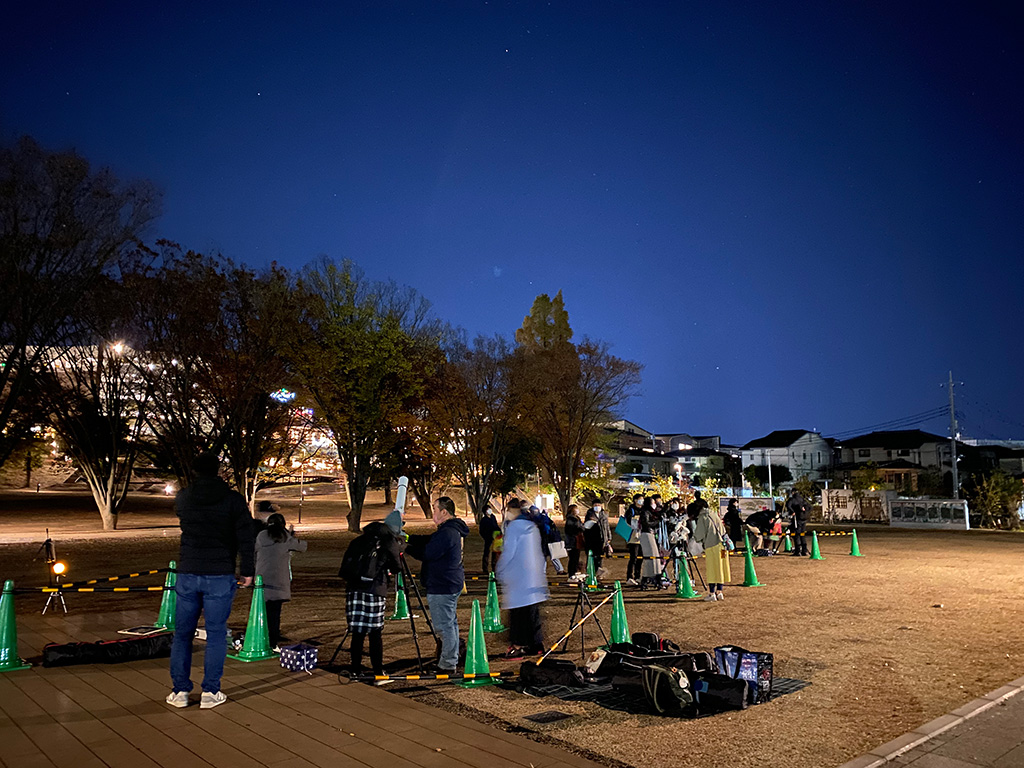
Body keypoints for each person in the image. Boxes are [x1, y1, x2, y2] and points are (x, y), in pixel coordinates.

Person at [166, 452, 255, 710]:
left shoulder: (184, 497)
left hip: (188, 570)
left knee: (182, 634)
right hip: (220, 571)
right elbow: (245, 539)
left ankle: (180, 690)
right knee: (216, 633)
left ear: (194, 471)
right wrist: (247, 571)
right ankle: (210, 691)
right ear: (218, 470)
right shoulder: (233, 500)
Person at [404, 496, 469, 673]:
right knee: (450, 625)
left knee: (444, 626)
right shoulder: (450, 530)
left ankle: (448, 664)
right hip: (449, 583)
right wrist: (408, 538)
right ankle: (451, 658)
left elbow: (428, 552)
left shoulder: (447, 532)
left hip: (442, 584)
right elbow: (429, 541)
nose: (433, 513)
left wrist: (406, 547)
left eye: (434, 509)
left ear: (444, 512)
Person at [341, 520, 401, 680]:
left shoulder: (357, 542)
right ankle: (378, 671)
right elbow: (397, 567)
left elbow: (346, 566)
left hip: (354, 590)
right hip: (375, 591)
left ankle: (355, 669)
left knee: (357, 633)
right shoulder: (387, 543)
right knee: (375, 634)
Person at [496, 501, 549, 657]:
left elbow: (509, 552)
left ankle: (518, 645)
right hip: (533, 577)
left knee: (518, 616)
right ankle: (536, 645)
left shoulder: (513, 528)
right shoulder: (532, 527)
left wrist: (500, 570)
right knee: (532, 614)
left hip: (518, 577)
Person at [255, 512, 307, 649]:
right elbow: (303, 547)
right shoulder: (285, 537)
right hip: (279, 581)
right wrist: (290, 535)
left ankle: (260, 637)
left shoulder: (261, 536)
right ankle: (272, 641)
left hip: (262, 579)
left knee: (261, 610)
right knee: (275, 612)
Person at [693, 496, 730, 602]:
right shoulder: (713, 514)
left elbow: (699, 534)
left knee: (712, 570)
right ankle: (720, 592)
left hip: (712, 546)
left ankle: (712, 593)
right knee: (721, 568)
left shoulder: (702, 517)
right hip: (722, 545)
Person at [623, 494, 645, 585]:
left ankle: (638, 576)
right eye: (640, 500)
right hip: (633, 537)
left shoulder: (644, 510)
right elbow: (628, 521)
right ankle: (629, 577)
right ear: (635, 500)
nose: (641, 502)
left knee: (641, 558)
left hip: (642, 536)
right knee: (633, 558)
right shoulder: (630, 510)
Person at [582, 508, 608, 581]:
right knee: (592, 559)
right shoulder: (589, 524)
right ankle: (592, 574)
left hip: (598, 543)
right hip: (592, 544)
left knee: (598, 559)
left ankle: (597, 573)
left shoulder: (602, 518)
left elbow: (606, 529)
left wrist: (607, 539)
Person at [563, 504, 584, 581]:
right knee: (573, 559)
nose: (577, 511)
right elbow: (571, 530)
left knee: (575, 558)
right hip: (572, 542)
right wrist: (580, 528)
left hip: (576, 541)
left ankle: (574, 573)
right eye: (576, 509)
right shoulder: (571, 520)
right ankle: (571, 574)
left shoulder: (576, 518)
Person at [787, 490, 811, 556]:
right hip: (804, 519)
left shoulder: (792, 500)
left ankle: (798, 551)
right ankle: (804, 550)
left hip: (796, 519)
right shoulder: (802, 499)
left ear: (793, 493)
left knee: (797, 534)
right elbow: (809, 506)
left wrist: (792, 511)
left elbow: (788, 506)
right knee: (802, 534)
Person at [478, 505, 501, 573]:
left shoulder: (493, 517)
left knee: (495, 553)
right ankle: (485, 568)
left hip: (495, 537)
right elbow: (481, 530)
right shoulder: (483, 520)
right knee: (486, 553)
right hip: (488, 538)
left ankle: (494, 568)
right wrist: (485, 537)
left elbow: (496, 526)